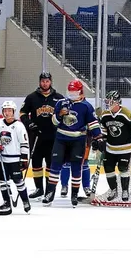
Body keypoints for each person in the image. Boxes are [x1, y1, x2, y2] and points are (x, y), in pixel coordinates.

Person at [43, 79, 102, 207]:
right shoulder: (61, 103)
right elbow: (54, 123)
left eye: (74, 91)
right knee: (55, 166)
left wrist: (98, 137)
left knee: (76, 167)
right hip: (61, 139)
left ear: (81, 92)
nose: (72, 94)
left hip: (78, 140)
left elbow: (93, 124)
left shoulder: (86, 106)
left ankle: (74, 194)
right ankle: (50, 193)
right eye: (70, 91)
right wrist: (59, 115)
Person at [19, 72, 64, 200]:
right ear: (40, 82)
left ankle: (50, 190)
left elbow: (63, 115)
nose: (45, 83)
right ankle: (39, 188)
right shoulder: (31, 97)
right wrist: (29, 123)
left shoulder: (59, 98)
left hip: (53, 137)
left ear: (51, 82)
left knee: (51, 164)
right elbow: (22, 113)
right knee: (37, 163)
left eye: (47, 81)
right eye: (43, 81)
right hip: (36, 136)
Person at [96, 90, 131, 202]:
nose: (108, 104)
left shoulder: (126, 113)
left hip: (126, 147)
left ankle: (125, 190)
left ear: (117, 102)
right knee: (108, 168)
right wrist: (101, 140)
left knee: (123, 168)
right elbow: (104, 131)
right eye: (107, 101)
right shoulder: (105, 115)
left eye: (110, 101)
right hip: (111, 148)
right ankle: (113, 190)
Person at [0, 101, 31, 214]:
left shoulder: (19, 126)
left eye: (9, 110)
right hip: (1, 158)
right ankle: (7, 203)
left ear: (13, 111)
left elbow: (24, 143)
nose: (7, 113)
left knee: (18, 181)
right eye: (5, 110)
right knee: (3, 182)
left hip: (14, 159)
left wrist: (24, 159)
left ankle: (25, 200)